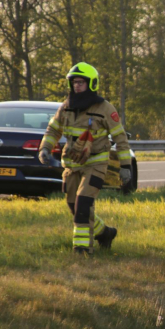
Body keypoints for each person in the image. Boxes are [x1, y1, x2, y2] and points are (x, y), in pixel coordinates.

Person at [38, 62, 132, 255]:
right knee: (74, 207)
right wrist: (45, 149)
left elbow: (120, 138)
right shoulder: (66, 107)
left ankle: (81, 250)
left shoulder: (105, 108)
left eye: (81, 82)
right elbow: (53, 130)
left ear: (92, 84)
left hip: (96, 164)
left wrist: (125, 166)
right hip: (72, 165)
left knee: (83, 204)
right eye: (74, 82)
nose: (77, 86)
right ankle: (105, 233)